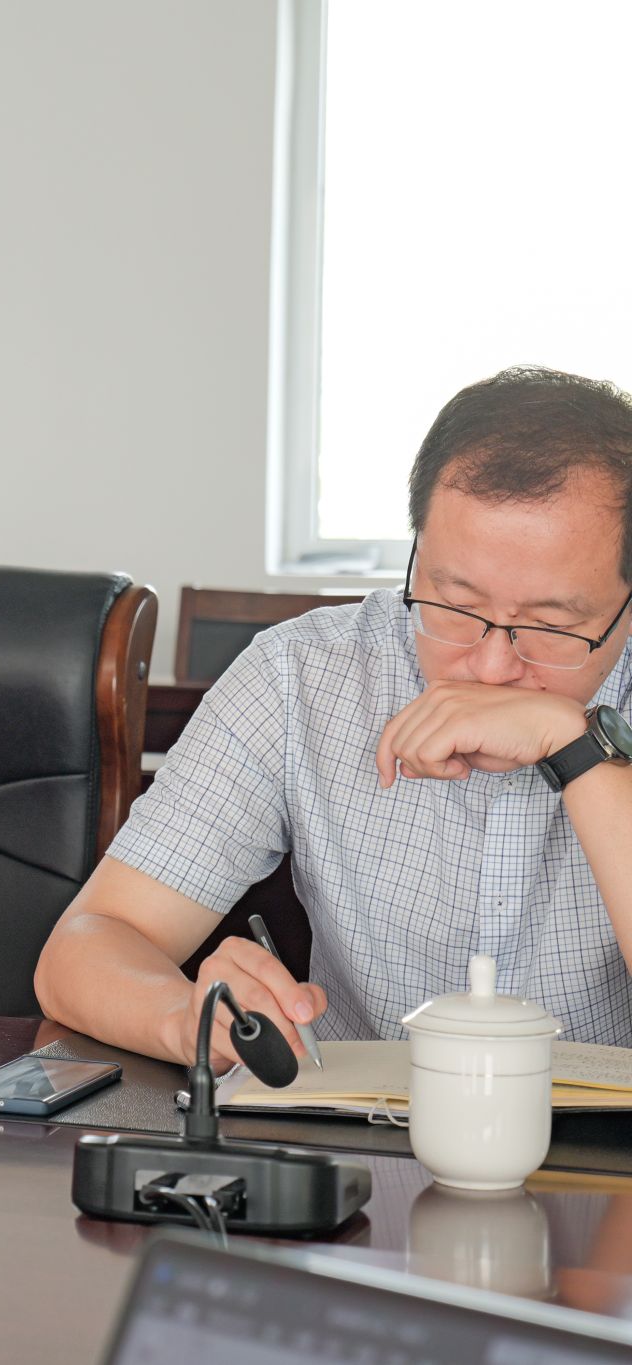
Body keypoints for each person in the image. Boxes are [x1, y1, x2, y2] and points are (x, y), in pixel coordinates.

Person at [35, 366, 632, 1060]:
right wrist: (188, 1019)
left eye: (552, 625)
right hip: (359, 1124)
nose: (493, 667)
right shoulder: (301, 675)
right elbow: (84, 948)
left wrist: (576, 747)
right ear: (416, 556)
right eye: (455, 603)